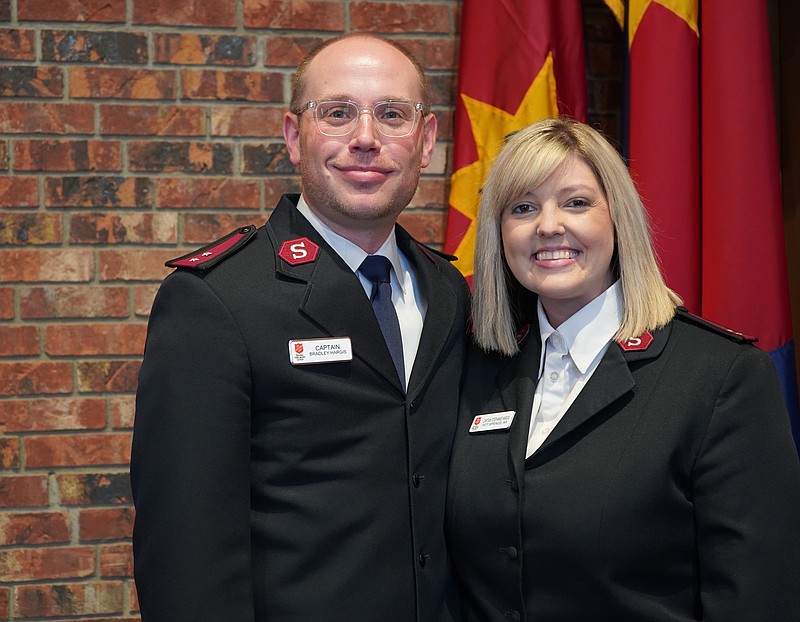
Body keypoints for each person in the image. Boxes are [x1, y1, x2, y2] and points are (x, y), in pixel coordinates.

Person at [131, 33, 469, 622]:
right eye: (337, 113)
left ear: (427, 141)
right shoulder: (217, 300)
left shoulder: (449, 292)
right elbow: (186, 551)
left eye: (392, 114)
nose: (366, 138)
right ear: (293, 136)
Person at [445, 117, 800, 621]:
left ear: (619, 220)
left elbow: (759, 599)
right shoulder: (476, 369)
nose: (548, 225)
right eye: (522, 208)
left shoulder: (720, 378)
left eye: (576, 202)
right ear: (499, 235)